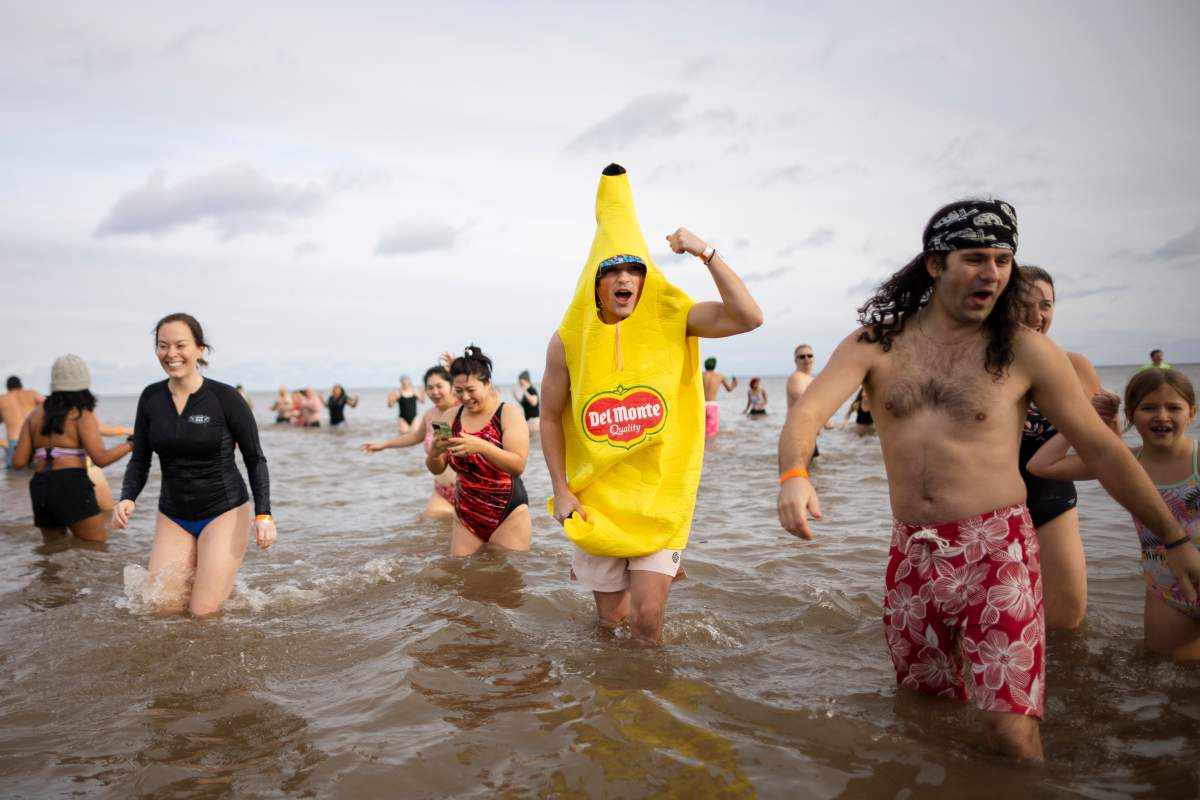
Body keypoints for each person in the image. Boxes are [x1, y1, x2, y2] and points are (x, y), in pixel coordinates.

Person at [776, 198, 1200, 760]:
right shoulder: (874, 344)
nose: (993, 273)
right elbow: (807, 413)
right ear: (935, 264)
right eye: (976, 258)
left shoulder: (1026, 351)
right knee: (924, 709)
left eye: (1003, 260)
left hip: (997, 550)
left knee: (1009, 729)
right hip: (913, 553)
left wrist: (1174, 540)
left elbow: (1103, 450)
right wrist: (795, 474)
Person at [542, 163, 762, 643]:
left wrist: (705, 252)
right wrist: (560, 487)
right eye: (613, 270)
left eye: (633, 269)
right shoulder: (567, 341)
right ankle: (611, 699)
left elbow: (748, 317)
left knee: (646, 621)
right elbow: (548, 417)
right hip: (597, 502)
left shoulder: (674, 319)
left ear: (644, 278)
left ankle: (650, 705)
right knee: (609, 624)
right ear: (595, 281)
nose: (624, 279)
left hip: (659, 498)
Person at [1028, 368, 1199, 661]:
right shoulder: (1125, 465)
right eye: (1149, 408)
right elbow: (1041, 465)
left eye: (1173, 407)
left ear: (1192, 412)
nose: (1162, 416)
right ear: (1131, 415)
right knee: (1170, 681)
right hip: (1166, 592)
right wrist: (1087, 418)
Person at [114, 313, 275, 616]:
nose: (171, 354)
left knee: (202, 613)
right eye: (163, 346)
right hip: (173, 514)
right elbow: (140, 457)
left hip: (224, 511)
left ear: (200, 349)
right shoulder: (151, 398)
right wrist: (127, 497)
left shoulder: (225, 398)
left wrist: (264, 514)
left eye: (180, 345)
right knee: (160, 610)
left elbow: (255, 458)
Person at [1014, 265, 1116, 630]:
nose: (1036, 315)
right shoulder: (986, 367)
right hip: (987, 506)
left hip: (1051, 499)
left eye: (1046, 305)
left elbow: (1103, 453)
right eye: (1023, 303)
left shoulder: (1074, 366)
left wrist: (1109, 418)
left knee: (1067, 622)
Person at [11, 355, 132, 541]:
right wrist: (131, 444)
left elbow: (18, 462)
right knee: (96, 547)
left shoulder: (34, 414)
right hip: (71, 484)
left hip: (40, 486)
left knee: (52, 551)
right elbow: (101, 458)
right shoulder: (81, 413)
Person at [427, 346, 530, 556]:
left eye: (471, 390)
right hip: (466, 513)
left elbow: (518, 465)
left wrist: (481, 446)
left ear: (487, 384)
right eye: (458, 391)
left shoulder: (509, 413)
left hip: (507, 512)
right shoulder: (448, 417)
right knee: (462, 576)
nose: (465, 397)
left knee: (507, 582)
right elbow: (436, 469)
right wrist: (434, 452)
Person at [362, 365, 458, 517]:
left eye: (439, 386)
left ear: (453, 386)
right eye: (430, 387)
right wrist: (384, 445)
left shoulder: (464, 409)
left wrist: (457, 366)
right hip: (442, 492)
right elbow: (415, 437)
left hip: (467, 492)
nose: (434, 392)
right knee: (427, 528)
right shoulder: (431, 415)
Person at [787, 344, 832, 456]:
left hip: (807, 437)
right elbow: (806, 402)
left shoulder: (810, 378)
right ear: (795, 361)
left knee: (813, 471)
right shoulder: (796, 377)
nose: (806, 359)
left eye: (809, 355)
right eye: (802, 357)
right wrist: (826, 419)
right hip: (797, 437)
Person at [2, 376, 43, 470]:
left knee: (14, 478)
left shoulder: (2, 399)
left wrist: (3, 443)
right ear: (21, 385)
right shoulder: (32, 394)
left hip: (15, 442)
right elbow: (50, 407)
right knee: (38, 472)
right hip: (35, 439)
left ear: (7, 387)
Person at [701, 357, 737, 436]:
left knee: (701, 431)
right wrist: (734, 383)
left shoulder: (700, 375)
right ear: (714, 365)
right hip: (712, 406)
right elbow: (729, 389)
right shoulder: (720, 376)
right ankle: (712, 447)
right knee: (712, 432)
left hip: (701, 405)